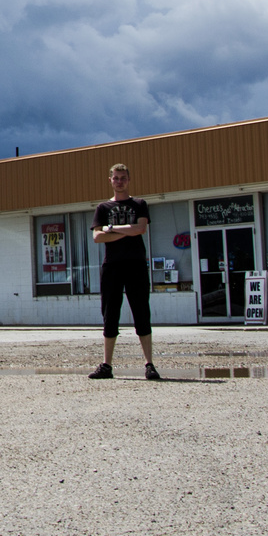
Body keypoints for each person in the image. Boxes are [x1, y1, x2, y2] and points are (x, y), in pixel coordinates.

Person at [89, 163, 158, 380]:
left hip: (136, 265)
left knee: (141, 313)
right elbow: (97, 237)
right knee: (110, 314)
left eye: (123, 178)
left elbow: (141, 228)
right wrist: (126, 232)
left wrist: (112, 229)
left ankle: (149, 364)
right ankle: (107, 365)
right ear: (110, 180)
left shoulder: (139, 204)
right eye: (116, 178)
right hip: (112, 267)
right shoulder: (103, 208)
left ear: (129, 180)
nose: (119, 181)